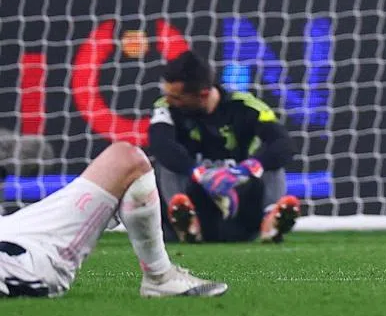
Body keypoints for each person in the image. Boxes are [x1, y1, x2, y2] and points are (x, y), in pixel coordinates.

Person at [0, 141, 227, 298]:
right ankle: (160, 277)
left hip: (12, 228)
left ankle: (161, 276)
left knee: (127, 158)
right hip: (21, 257)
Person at [148, 50, 299, 246]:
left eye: (176, 97)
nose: (169, 100)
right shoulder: (165, 108)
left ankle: (270, 221)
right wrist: (198, 173)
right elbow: (161, 145)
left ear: (202, 95)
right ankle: (186, 225)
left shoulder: (246, 106)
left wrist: (244, 170)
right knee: (166, 163)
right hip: (196, 198)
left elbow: (284, 144)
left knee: (271, 160)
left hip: (239, 204)